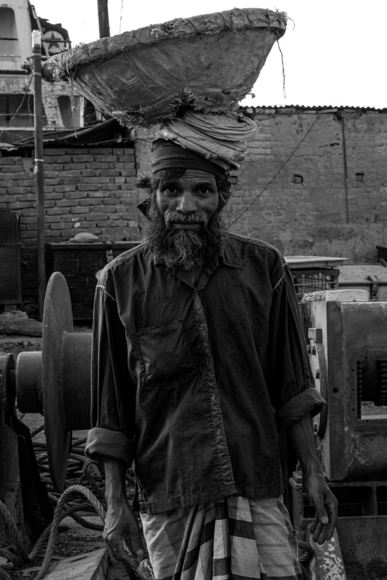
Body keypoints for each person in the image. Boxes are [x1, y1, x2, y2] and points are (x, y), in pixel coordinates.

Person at [85, 137, 338, 580]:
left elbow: (293, 388)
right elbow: (112, 409)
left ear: (221, 198)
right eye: (171, 191)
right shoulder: (119, 282)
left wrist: (315, 475)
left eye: (202, 191)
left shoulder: (264, 268)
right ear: (153, 198)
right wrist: (113, 502)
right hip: (170, 482)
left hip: (256, 475)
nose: (186, 206)